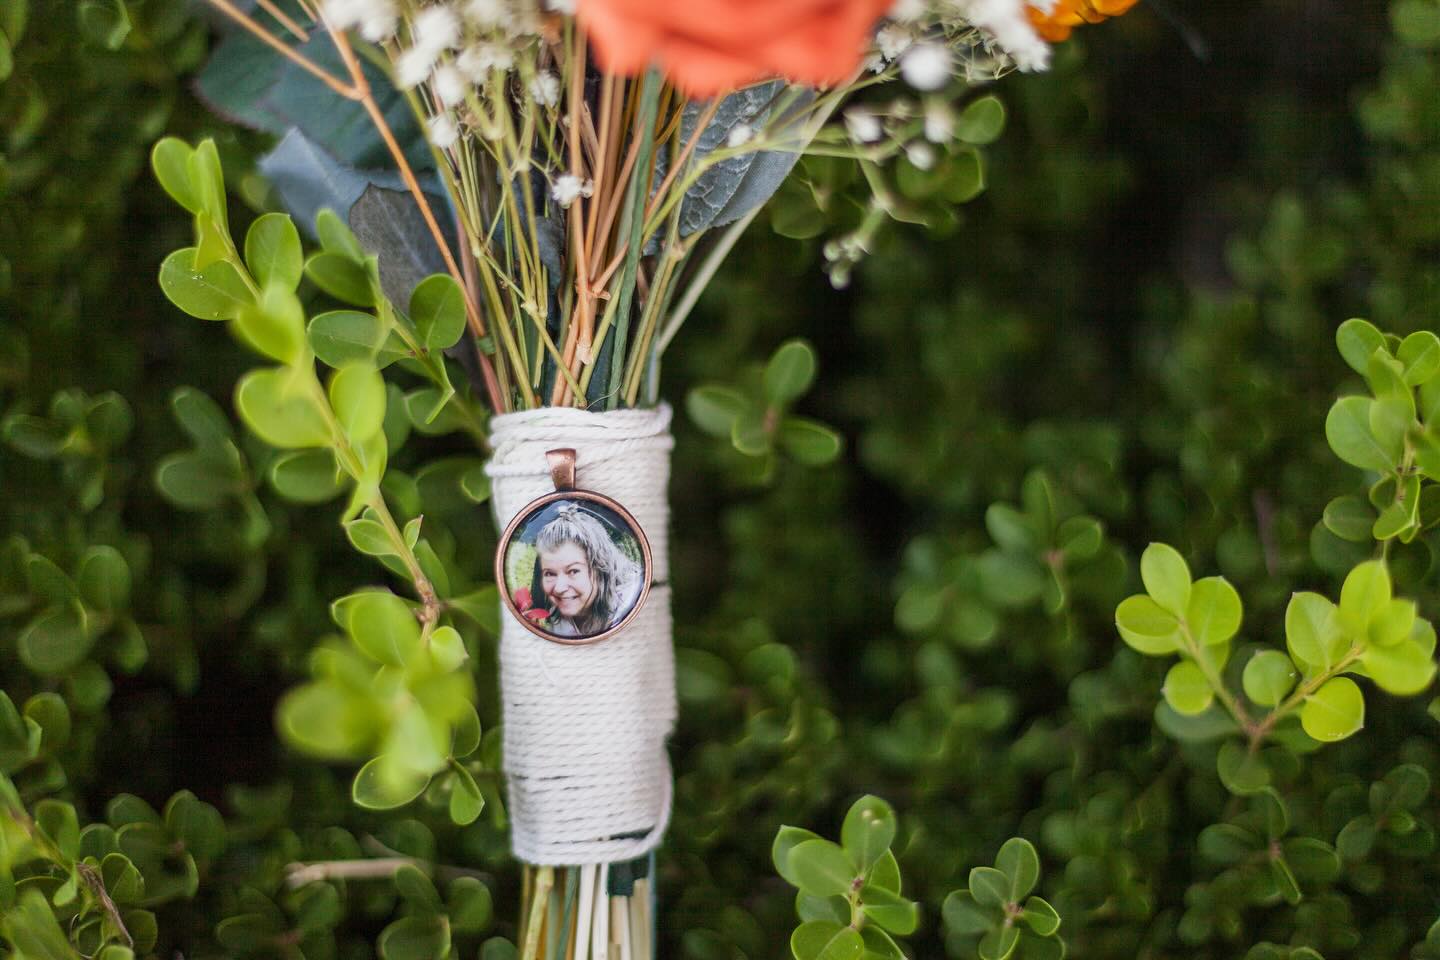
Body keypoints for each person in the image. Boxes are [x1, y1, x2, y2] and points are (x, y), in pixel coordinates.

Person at [530, 502, 643, 638]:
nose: (559, 588)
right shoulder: (553, 619)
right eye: (550, 573)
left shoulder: (633, 603)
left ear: (601, 568)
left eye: (573, 571)